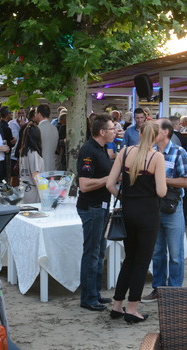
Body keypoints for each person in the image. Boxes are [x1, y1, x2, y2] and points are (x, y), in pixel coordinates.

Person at [106, 121, 167, 324]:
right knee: (141, 261)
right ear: (157, 137)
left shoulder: (124, 152)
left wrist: (125, 199)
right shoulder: (157, 157)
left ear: (139, 134)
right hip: (148, 213)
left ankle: (117, 304)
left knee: (130, 258)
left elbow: (110, 184)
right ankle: (132, 308)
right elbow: (161, 192)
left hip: (128, 211)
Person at [142, 119, 187, 302]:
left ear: (165, 132)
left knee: (176, 253)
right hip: (154, 207)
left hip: (172, 207)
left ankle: (174, 292)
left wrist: (161, 180)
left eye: (156, 129)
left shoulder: (179, 153)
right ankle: (158, 289)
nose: (153, 132)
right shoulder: (151, 152)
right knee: (157, 252)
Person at [76, 113, 115, 312]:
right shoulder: (88, 150)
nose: (115, 131)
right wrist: (110, 179)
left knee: (99, 252)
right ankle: (88, 298)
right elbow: (84, 185)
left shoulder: (102, 149)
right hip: (91, 207)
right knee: (91, 253)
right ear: (102, 131)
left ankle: (95, 293)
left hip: (101, 206)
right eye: (112, 129)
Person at [18, 120, 44, 204]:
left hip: (23, 188)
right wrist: (45, 191)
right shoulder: (33, 153)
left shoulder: (24, 151)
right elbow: (35, 175)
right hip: (32, 190)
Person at [34, 104, 58, 172]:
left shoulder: (37, 129)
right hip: (52, 166)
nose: (35, 115)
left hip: (39, 167)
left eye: (35, 113)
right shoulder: (55, 129)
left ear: (39, 114)